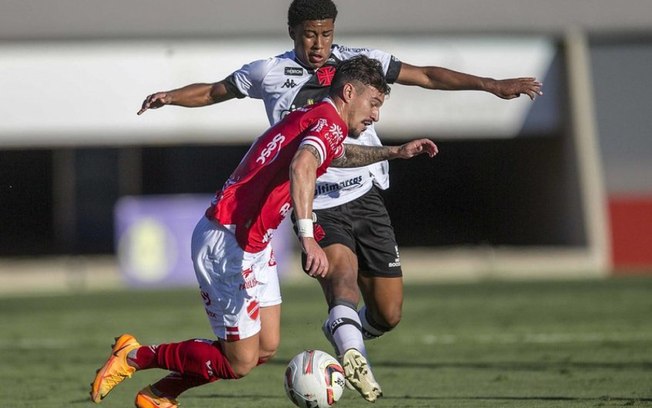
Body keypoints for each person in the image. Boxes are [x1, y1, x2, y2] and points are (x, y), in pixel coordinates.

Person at [136, 0, 543, 402]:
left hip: (365, 194)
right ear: (293, 32)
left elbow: (428, 76)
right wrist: (170, 96)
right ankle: (353, 358)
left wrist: (492, 86)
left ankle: (343, 329)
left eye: (326, 34)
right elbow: (213, 92)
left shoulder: (360, 66)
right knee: (341, 281)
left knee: (388, 313)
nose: (318, 43)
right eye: (310, 34)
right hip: (316, 204)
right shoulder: (269, 72)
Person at [91, 56, 438, 408]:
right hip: (228, 241)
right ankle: (135, 356)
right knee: (239, 361)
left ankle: (162, 394)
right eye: (374, 103)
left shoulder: (316, 116)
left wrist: (393, 152)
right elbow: (304, 165)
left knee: (266, 346)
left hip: (255, 242)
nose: (376, 115)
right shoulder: (326, 124)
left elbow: (333, 154)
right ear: (349, 92)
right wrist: (307, 238)